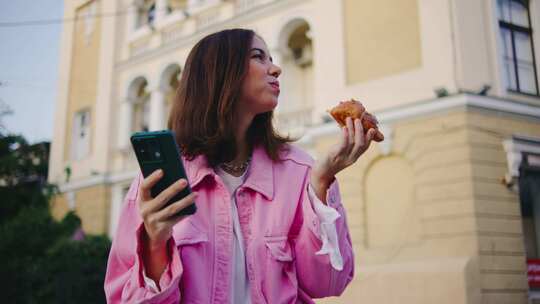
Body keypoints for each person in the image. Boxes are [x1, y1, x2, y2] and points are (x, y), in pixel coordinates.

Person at [104, 28, 378, 304]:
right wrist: (154, 244)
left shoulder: (301, 171)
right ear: (219, 73)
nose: (276, 68)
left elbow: (327, 283)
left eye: (271, 57)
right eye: (259, 57)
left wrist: (320, 183)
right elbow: (122, 298)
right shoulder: (160, 180)